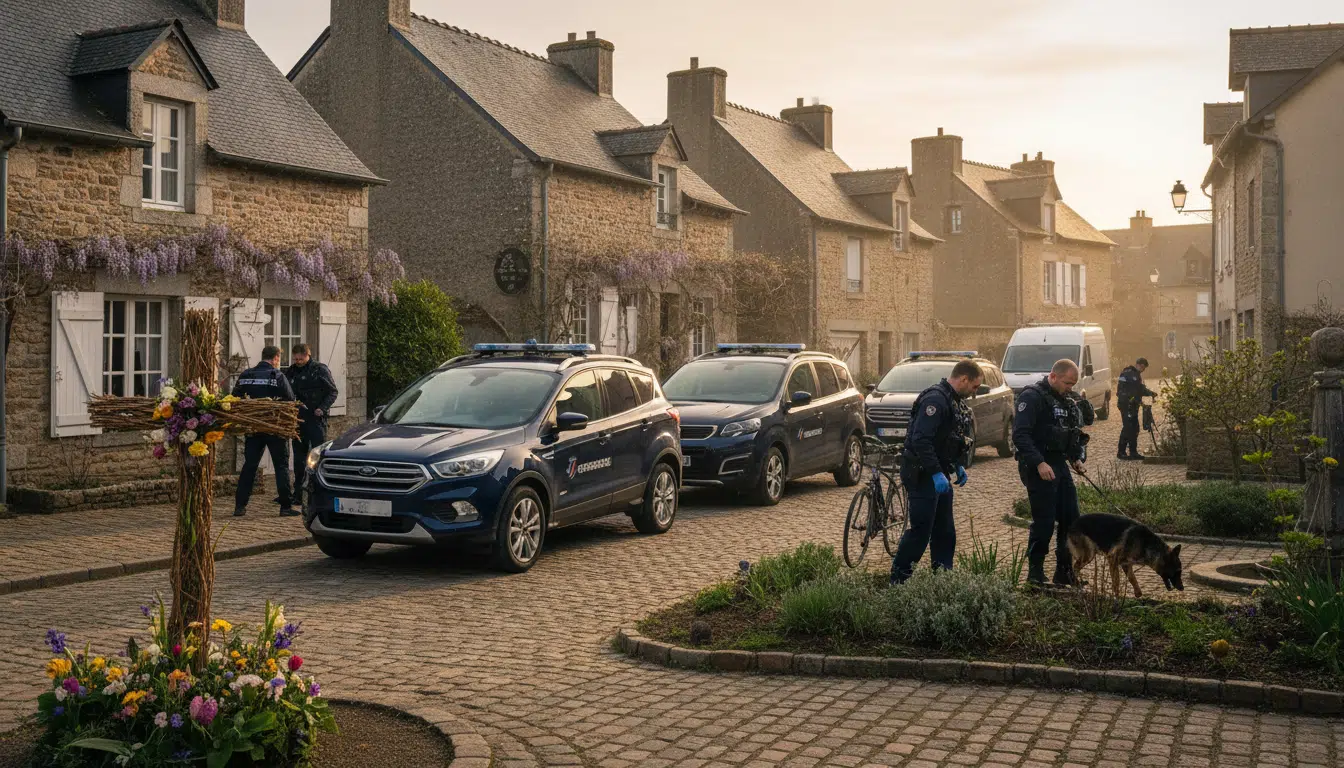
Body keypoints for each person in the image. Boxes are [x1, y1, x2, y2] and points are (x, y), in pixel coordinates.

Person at [890, 359, 982, 584]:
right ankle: (898, 582)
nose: (974, 393)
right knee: (921, 531)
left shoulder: (953, 401)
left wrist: (956, 464)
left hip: (938, 473)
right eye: (974, 387)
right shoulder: (935, 400)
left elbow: (949, 440)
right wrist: (934, 472)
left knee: (945, 532)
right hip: (922, 474)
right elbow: (921, 440)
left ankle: (942, 581)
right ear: (963, 379)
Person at [1013, 358, 1094, 587]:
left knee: (1071, 520)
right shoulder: (1032, 397)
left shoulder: (1065, 400)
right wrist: (1039, 463)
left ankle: (1064, 572)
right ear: (1054, 376)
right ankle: (1035, 574)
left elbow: (1066, 434)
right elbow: (1020, 436)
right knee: (1044, 522)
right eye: (1068, 383)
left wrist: (1075, 458)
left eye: (1073, 384)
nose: (1070, 388)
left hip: (1058, 464)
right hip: (1037, 466)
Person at [233, 346, 298, 517]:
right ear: (276, 358)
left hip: (253, 427)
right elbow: (290, 400)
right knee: (281, 466)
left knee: (249, 466)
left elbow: (235, 398)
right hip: (274, 428)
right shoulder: (277, 376)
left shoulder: (246, 375)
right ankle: (285, 507)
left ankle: (240, 506)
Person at [285, 343, 338, 506]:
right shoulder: (291, 371)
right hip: (298, 419)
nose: (298, 361)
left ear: (308, 355)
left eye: (301, 359)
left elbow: (332, 391)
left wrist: (322, 408)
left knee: (318, 456)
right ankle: (298, 494)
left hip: (316, 419)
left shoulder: (319, 369)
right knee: (299, 458)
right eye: (295, 359)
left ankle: (320, 492)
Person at [1116, 357, 1156, 460]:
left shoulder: (1136, 375)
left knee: (1134, 428)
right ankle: (1121, 452)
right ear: (1139, 365)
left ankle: (1133, 452)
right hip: (1126, 405)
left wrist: (1150, 393)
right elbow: (1123, 390)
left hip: (1132, 405)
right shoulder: (1129, 373)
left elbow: (1140, 389)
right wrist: (1129, 400)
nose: (1143, 369)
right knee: (1128, 428)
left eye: (1144, 368)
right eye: (1143, 367)